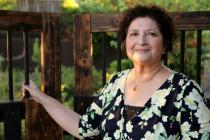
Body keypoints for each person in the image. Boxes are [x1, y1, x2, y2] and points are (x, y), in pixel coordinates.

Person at [22, 5, 210, 139]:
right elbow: (84, 128)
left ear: (165, 44)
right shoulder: (116, 83)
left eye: (151, 34)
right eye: (134, 34)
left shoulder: (185, 92)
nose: (141, 41)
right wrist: (41, 97)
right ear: (125, 42)